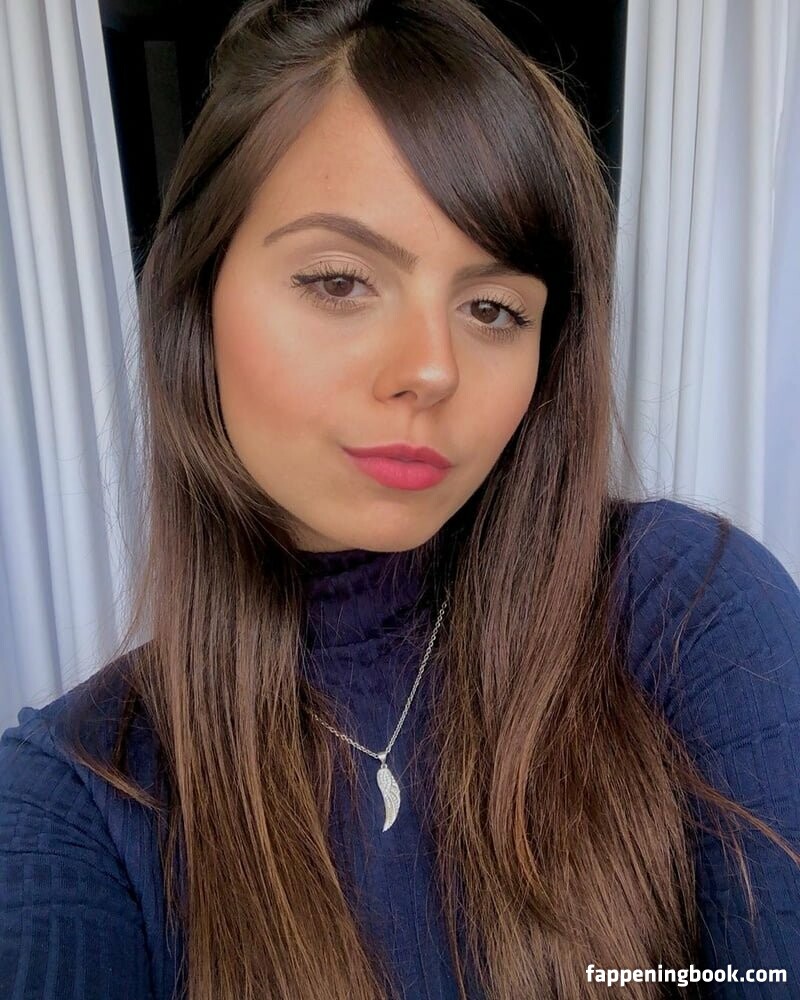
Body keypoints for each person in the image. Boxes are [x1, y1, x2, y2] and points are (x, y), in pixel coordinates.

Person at [1, 1, 799, 998]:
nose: (432, 368)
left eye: (492, 308)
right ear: (194, 304)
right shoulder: (79, 797)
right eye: (340, 281)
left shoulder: (683, 611)